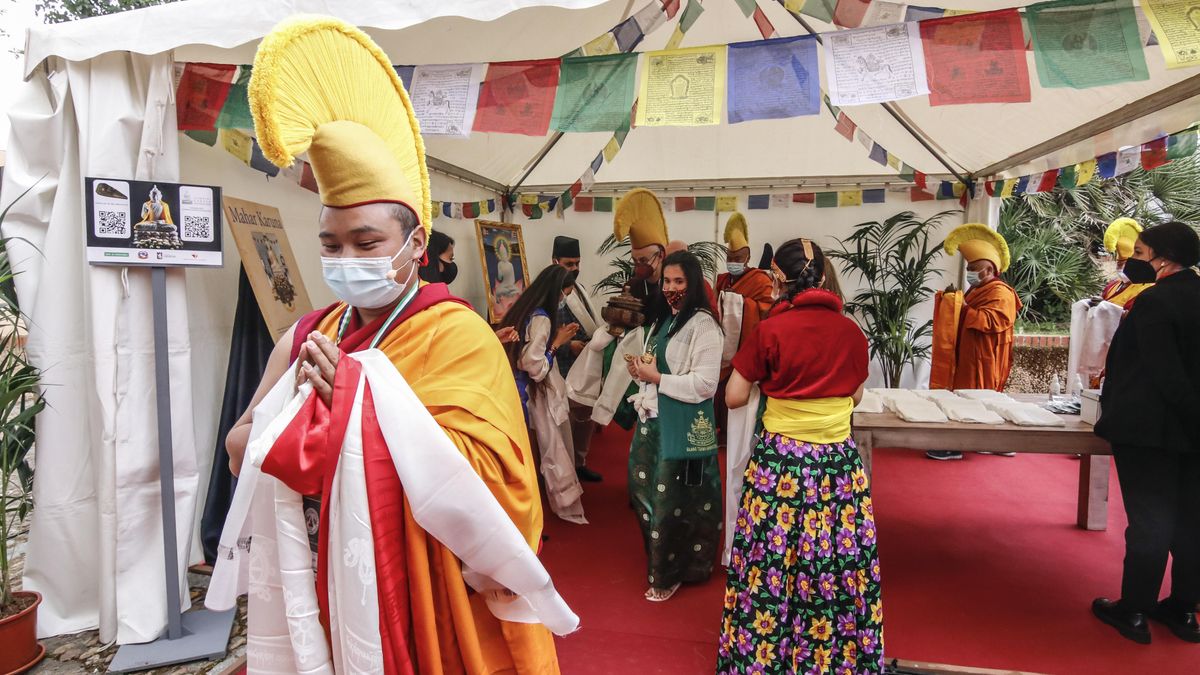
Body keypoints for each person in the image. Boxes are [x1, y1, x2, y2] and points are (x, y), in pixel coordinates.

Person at [213, 16, 572, 672]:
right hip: (341, 578)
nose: (346, 257)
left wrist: (351, 404)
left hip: (436, 590)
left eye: (367, 242)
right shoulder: (309, 334)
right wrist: (292, 413)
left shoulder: (459, 335)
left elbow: (500, 487)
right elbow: (241, 451)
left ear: (414, 244)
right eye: (331, 243)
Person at [718, 238, 883, 673]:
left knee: (773, 561)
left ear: (778, 279)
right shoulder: (851, 331)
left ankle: (765, 656)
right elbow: (856, 393)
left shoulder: (771, 330)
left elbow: (734, 397)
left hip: (782, 468)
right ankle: (834, 657)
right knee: (833, 560)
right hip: (837, 468)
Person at [1092, 221, 1200, 645]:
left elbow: (1165, 375)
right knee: (1192, 520)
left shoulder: (1156, 303)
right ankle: (1185, 609)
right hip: (1194, 432)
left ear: (1163, 257)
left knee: (1151, 521)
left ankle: (1134, 609)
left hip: (1153, 430)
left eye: (1139, 253)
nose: (1132, 261)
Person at [625, 250, 723, 602]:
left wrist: (657, 377)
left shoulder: (704, 325)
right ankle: (663, 561)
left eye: (679, 281)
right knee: (642, 493)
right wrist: (641, 374)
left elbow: (704, 385)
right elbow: (655, 368)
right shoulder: (664, 320)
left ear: (693, 283)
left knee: (672, 502)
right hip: (652, 420)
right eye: (667, 281)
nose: (670, 287)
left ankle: (669, 574)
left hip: (682, 425)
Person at [500, 265, 587, 524]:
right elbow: (533, 365)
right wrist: (556, 343)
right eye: (562, 297)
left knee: (524, 454)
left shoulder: (523, 308)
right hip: (527, 393)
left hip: (510, 387)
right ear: (555, 293)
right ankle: (528, 515)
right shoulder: (543, 319)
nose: (562, 302)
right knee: (543, 451)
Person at [927, 224, 1022, 461]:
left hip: (985, 358)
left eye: (974, 268)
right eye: (969, 268)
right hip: (968, 356)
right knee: (964, 398)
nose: (970, 272)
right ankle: (969, 441)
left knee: (982, 399)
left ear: (989, 269)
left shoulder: (1001, 293)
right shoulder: (977, 289)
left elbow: (992, 321)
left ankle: (993, 442)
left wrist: (963, 307)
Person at [715, 213, 775, 429]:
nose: (733, 262)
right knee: (720, 389)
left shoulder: (760, 279)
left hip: (747, 345)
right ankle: (720, 430)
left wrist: (738, 302)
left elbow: (767, 309)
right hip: (722, 344)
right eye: (730, 257)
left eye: (738, 258)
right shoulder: (721, 279)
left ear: (747, 258)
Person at [552, 235, 604, 483]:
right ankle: (564, 470)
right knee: (564, 424)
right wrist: (568, 346)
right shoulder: (550, 290)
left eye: (577, 263)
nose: (575, 269)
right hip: (562, 368)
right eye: (569, 263)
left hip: (585, 366)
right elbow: (542, 334)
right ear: (555, 261)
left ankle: (579, 462)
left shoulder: (578, 287)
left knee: (585, 419)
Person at [1100, 217, 1155, 309]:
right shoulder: (1113, 285)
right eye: (1119, 263)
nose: (1120, 267)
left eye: (1124, 263)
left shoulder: (1146, 290)